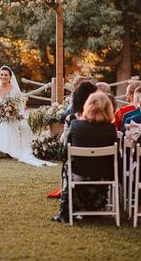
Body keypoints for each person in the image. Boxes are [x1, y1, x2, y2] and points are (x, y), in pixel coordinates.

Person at [53, 92, 117, 223]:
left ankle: (67, 210)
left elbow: (65, 153)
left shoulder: (76, 125)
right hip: (103, 174)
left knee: (68, 166)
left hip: (78, 173)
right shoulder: (111, 129)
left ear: (87, 106)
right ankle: (95, 205)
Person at [0, 66, 52, 166]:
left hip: (13, 116)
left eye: (6, 75)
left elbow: (19, 108)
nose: (3, 77)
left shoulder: (15, 90)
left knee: (8, 124)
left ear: (10, 77)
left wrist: (11, 113)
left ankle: (9, 151)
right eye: (2, 74)